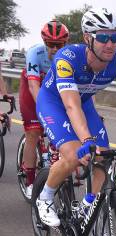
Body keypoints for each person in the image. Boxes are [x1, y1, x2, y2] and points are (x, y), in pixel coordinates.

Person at [34, 8, 116, 236]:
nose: (110, 44)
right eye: (103, 37)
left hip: (84, 103)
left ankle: (89, 208)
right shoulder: (67, 58)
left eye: (115, 37)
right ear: (87, 37)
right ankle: (45, 198)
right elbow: (70, 106)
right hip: (55, 102)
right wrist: (86, 140)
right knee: (75, 155)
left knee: (104, 159)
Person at [19, 20, 70, 199]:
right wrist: (45, 110)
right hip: (32, 89)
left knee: (63, 127)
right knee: (33, 133)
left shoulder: (68, 56)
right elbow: (34, 86)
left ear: (65, 44)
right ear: (44, 42)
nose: (55, 49)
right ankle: (31, 181)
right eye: (50, 44)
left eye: (59, 45)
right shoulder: (35, 53)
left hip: (52, 89)